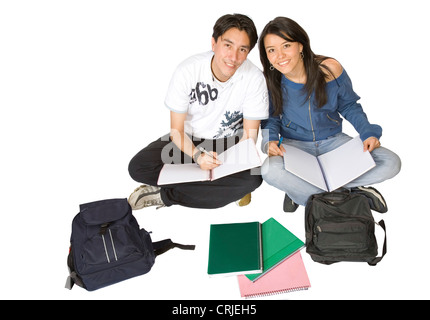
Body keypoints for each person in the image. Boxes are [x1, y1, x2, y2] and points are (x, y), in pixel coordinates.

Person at [259, 17, 401, 212]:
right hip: (295, 147)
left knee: (391, 162)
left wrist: (368, 132)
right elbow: (270, 118)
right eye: (271, 50)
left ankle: (299, 192)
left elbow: (350, 105)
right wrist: (270, 141)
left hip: (334, 144)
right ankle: (351, 193)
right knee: (269, 170)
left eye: (286, 45)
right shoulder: (268, 80)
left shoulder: (329, 69)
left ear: (300, 45)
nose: (280, 55)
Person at [128, 14, 269, 210]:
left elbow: (249, 137)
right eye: (228, 45)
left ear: (248, 52)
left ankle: (165, 195)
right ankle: (218, 187)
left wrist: (230, 166)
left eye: (242, 49)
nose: (233, 57)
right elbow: (176, 130)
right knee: (138, 167)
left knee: (254, 179)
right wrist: (197, 156)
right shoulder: (188, 70)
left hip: (229, 145)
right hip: (188, 141)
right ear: (214, 43)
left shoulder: (254, 78)